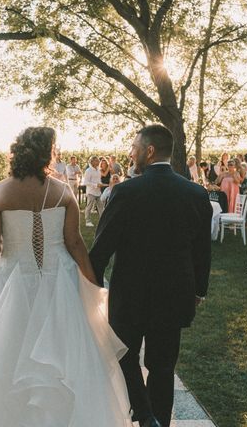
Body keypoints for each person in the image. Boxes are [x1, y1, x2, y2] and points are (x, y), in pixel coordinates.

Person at [0, 126, 132, 426]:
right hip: (60, 283)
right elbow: (75, 243)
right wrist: (93, 283)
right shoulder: (63, 191)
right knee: (63, 359)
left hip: (11, 283)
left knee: (7, 356)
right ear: (47, 154)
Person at [89, 125, 212, 427]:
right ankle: (155, 420)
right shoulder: (196, 193)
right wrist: (199, 289)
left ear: (149, 151)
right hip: (174, 295)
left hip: (130, 295)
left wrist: (89, 286)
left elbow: (102, 248)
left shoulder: (126, 191)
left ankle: (144, 414)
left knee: (122, 354)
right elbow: (202, 250)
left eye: (134, 147)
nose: (130, 153)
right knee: (162, 367)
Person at [83, 155, 106, 227]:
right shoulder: (88, 171)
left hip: (98, 192)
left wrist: (101, 184)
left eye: (98, 160)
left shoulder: (98, 170)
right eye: (96, 160)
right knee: (89, 207)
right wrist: (96, 185)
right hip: (91, 192)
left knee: (101, 207)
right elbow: (86, 182)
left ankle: (103, 221)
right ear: (92, 162)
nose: (98, 161)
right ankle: (87, 221)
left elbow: (98, 180)